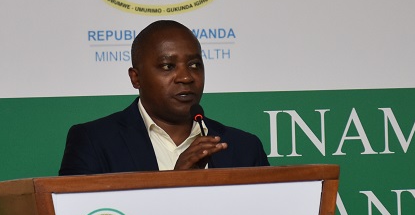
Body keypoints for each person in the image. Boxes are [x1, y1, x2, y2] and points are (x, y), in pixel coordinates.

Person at [59, 20, 269, 175]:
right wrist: (174, 183)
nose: (186, 77)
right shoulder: (94, 142)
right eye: (168, 66)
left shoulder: (244, 148)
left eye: (194, 65)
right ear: (136, 78)